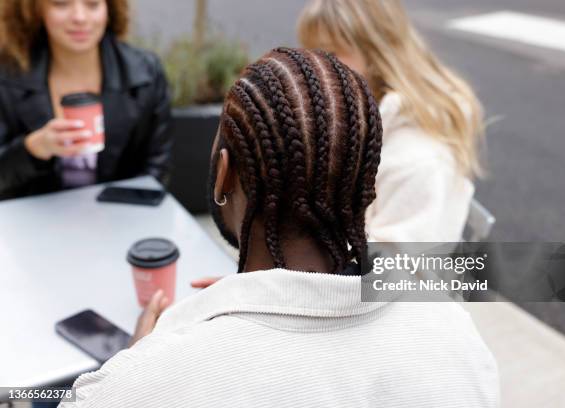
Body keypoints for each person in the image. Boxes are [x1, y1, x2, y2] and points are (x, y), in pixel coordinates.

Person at [59, 48, 498, 407]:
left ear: (224, 174)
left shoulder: (141, 385)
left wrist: (138, 360)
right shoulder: (454, 334)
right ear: (363, 179)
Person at [298, 0, 485, 242]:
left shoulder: (418, 161)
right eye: (309, 53)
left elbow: (393, 273)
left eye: (331, 53)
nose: (312, 67)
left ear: (375, 52)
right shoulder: (353, 114)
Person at [0, 0, 172, 201]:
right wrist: (32, 149)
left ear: (109, 9)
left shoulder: (146, 74)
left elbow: (157, 168)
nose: (80, 18)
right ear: (36, 10)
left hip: (121, 218)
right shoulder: (7, 78)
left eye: (92, 4)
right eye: (61, 4)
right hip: (30, 220)